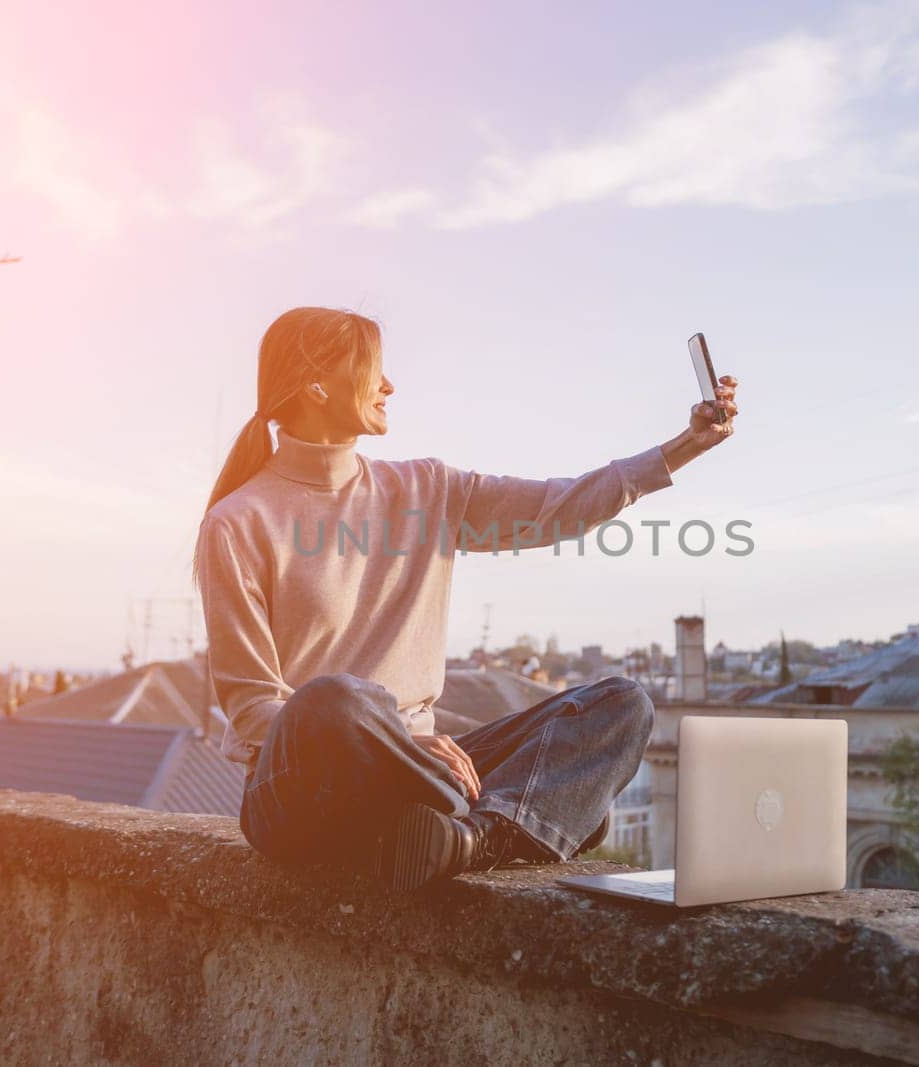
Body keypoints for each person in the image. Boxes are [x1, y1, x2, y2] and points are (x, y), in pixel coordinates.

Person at [194, 306, 740, 892]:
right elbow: (254, 711)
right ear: (317, 384)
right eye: (374, 369)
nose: (389, 385)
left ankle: (469, 839)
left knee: (622, 705)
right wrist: (399, 742)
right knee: (334, 700)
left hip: (420, 777)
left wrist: (685, 446)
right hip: (305, 791)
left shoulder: (426, 488)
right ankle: (513, 817)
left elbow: (560, 506)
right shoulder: (237, 522)